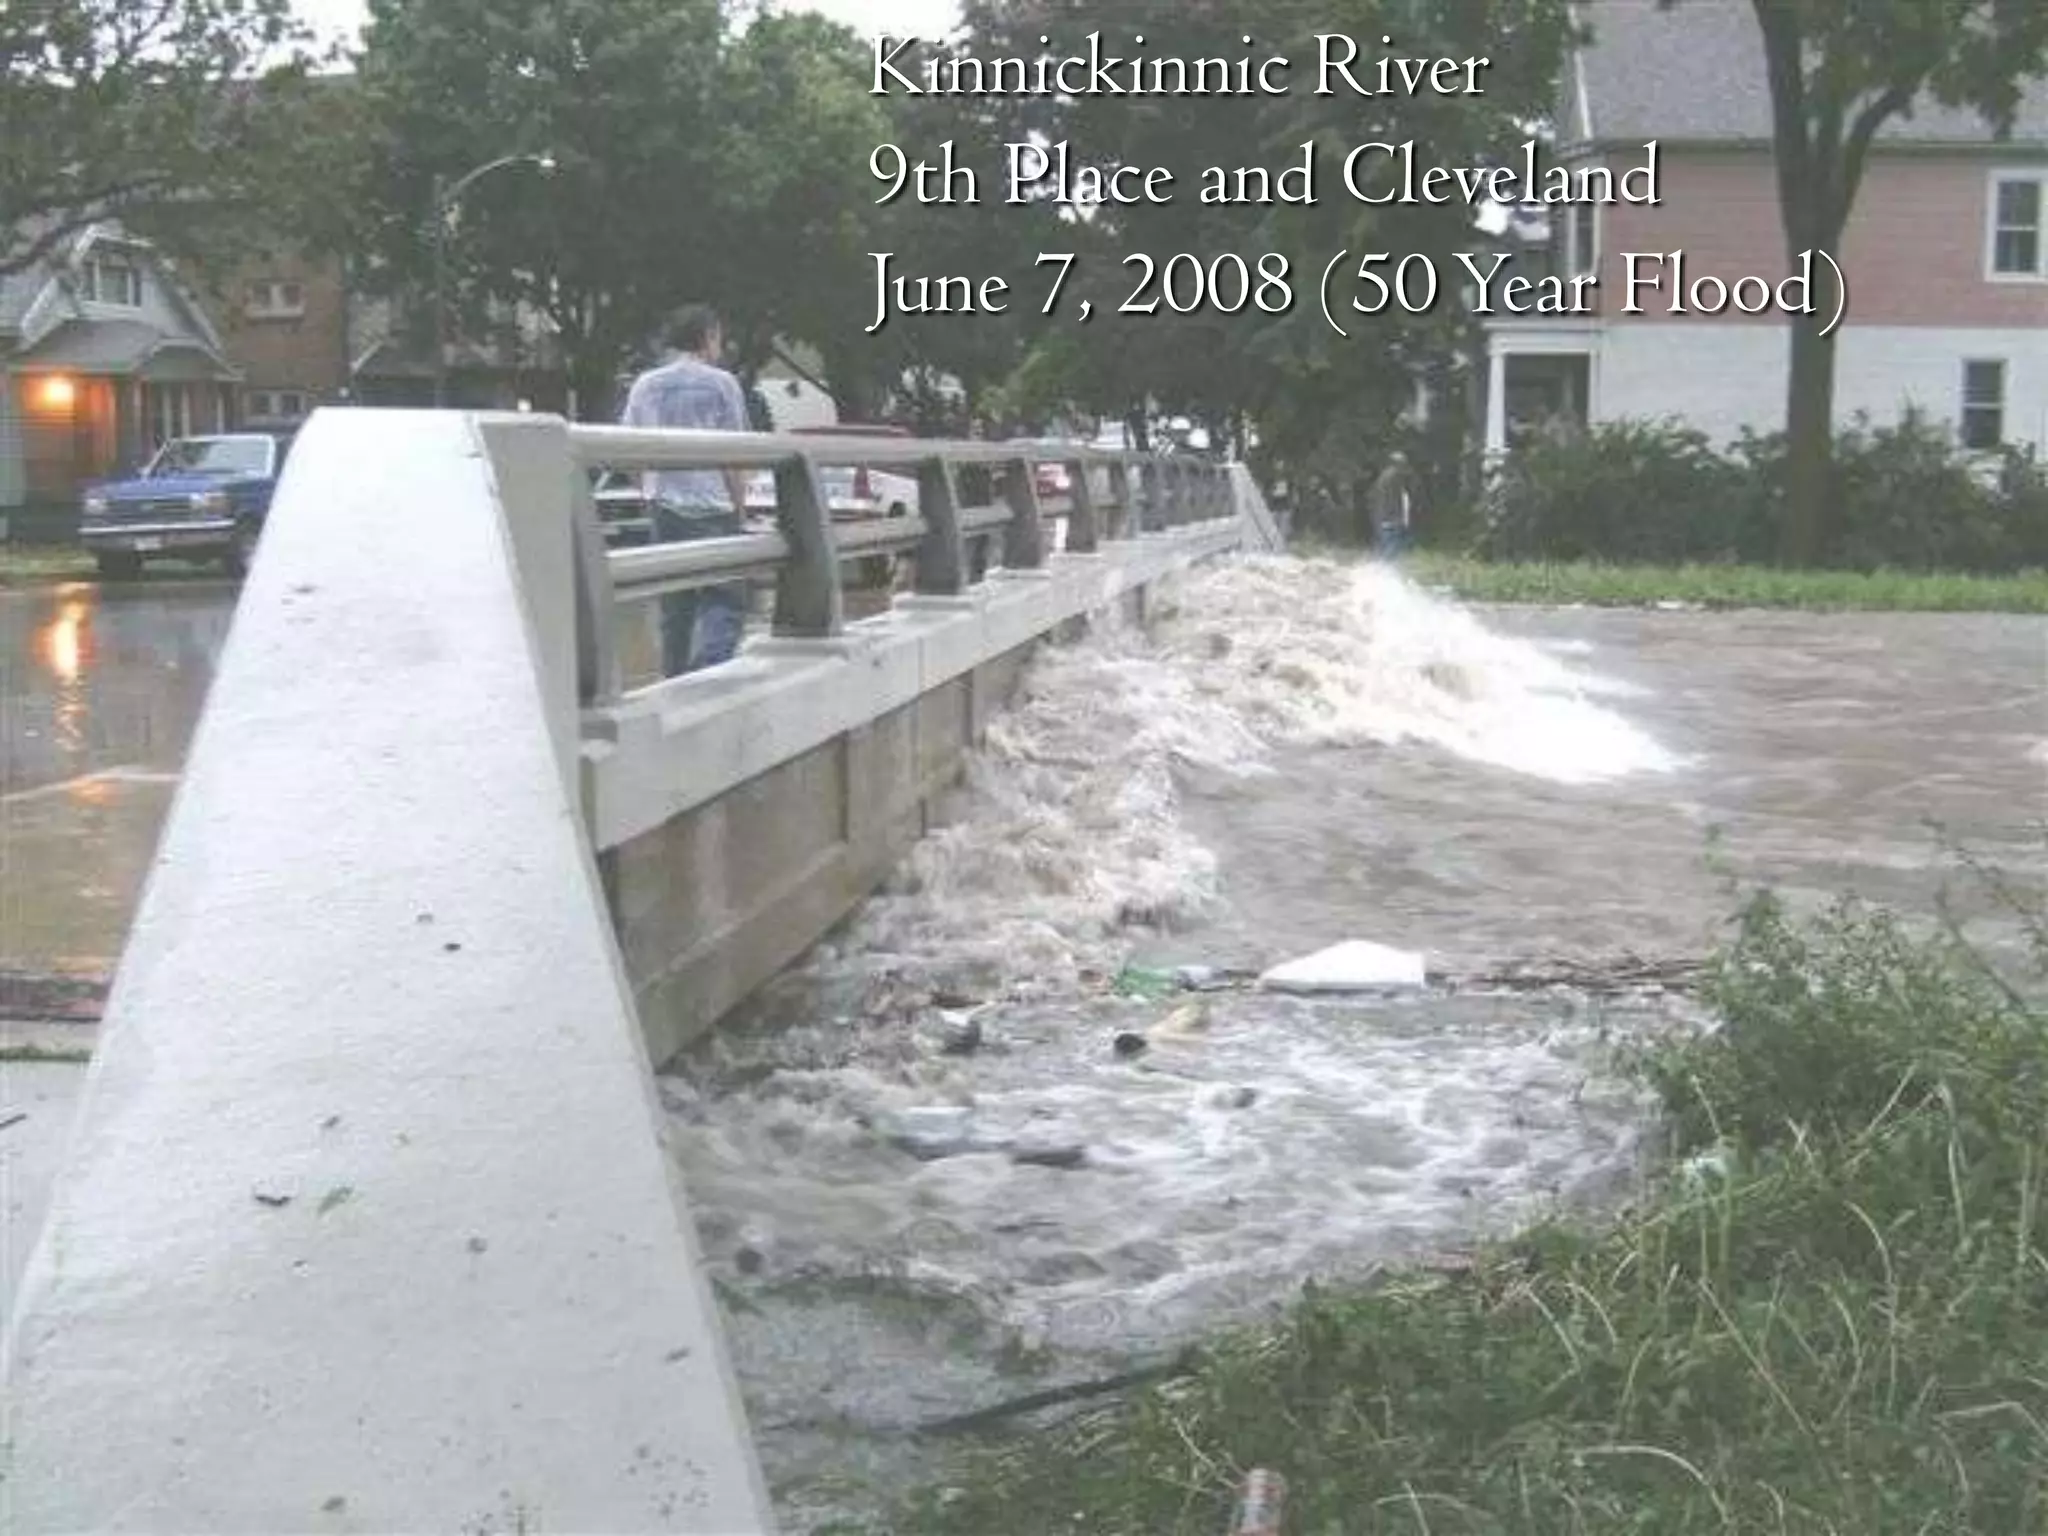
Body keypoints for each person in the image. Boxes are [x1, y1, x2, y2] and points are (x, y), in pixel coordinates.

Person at [619, 305, 754, 675]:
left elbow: (627, 450)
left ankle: (674, 679)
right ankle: (712, 673)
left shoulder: (646, 384)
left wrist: (647, 490)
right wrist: (739, 508)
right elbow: (734, 453)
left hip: (665, 505)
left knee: (674, 604)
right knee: (724, 598)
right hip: (713, 505)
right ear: (708, 337)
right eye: (718, 339)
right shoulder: (722, 383)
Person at [1369, 450, 1416, 558]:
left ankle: (1380, 568)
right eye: (1403, 463)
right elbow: (1394, 499)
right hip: (1391, 518)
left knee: (1387, 547)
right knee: (1391, 549)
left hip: (1386, 517)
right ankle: (1384, 571)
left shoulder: (1385, 477)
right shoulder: (1393, 477)